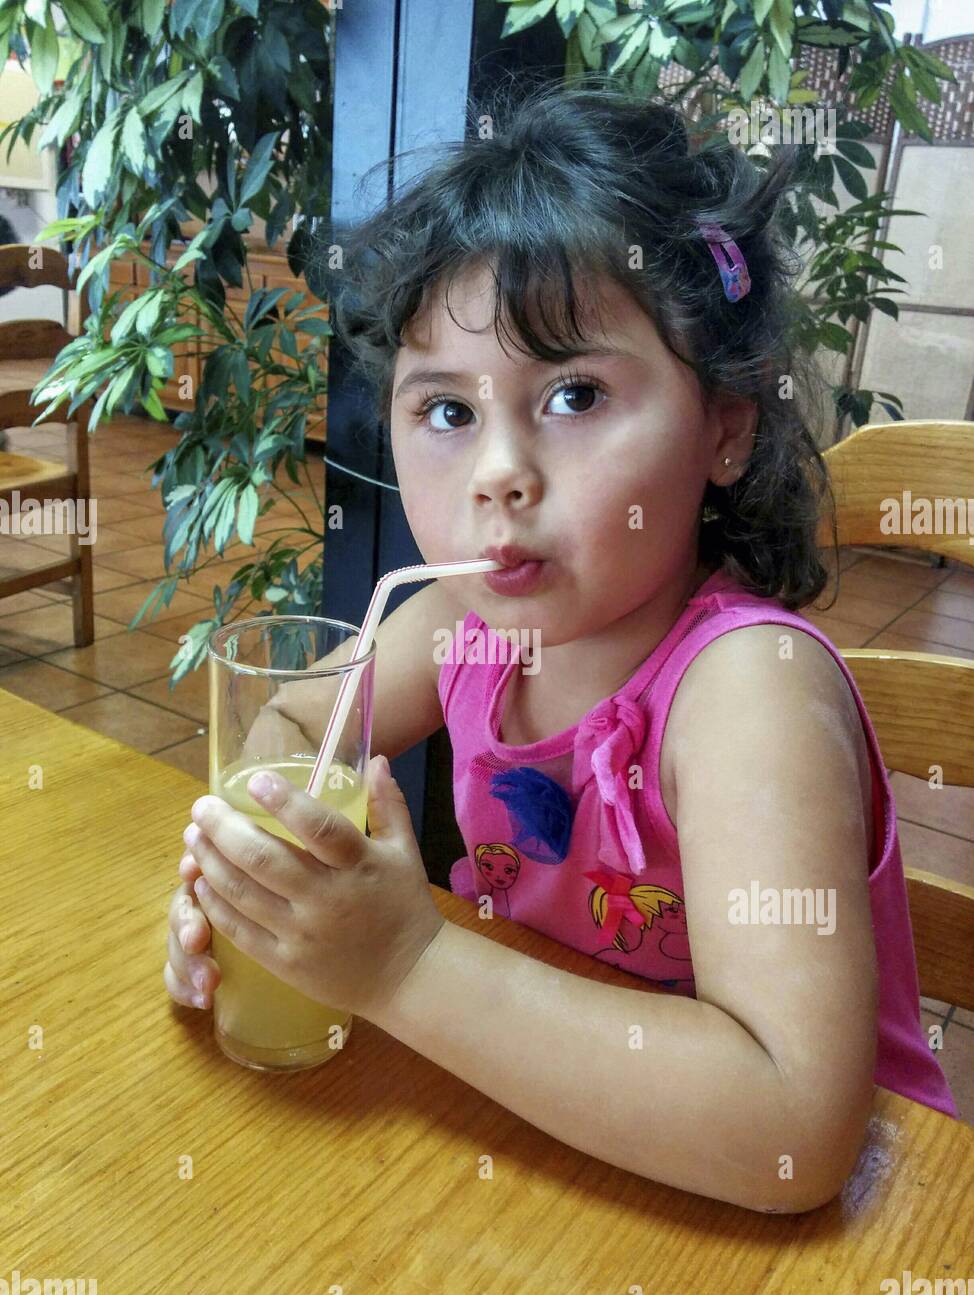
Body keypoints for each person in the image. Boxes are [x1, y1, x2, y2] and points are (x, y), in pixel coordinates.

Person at [163, 75, 956, 1213]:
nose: (495, 473)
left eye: (575, 395)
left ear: (724, 426)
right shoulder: (459, 625)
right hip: (559, 1157)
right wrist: (254, 885)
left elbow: (796, 1124)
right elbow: (292, 724)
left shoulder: (746, 696)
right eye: (446, 411)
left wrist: (403, 963)